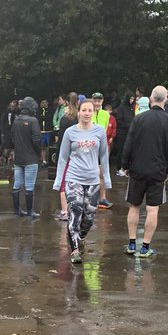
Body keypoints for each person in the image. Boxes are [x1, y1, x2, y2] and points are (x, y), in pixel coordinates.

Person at [121, 86, 168, 257]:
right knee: (153, 209)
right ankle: (145, 247)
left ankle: (132, 244)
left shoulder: (139, 119)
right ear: (165, 100)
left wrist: (125, 165)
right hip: (158, 171)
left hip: (137, 169)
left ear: (151, 98)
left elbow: (129, 144)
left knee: (134, 206)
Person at [53, 97, 112, 264]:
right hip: (73, 178)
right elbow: (63, 158)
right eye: (84, 110)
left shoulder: (99, 131)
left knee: (89, 216)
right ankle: (74, 251)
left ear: (93, 113)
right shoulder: (70, 132)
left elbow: (103, 156)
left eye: (89, 110)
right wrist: (59, 181)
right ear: (78, 112)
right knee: (75, 211)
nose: (86, 113)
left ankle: (80, 237)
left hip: (92, 179)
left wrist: (106, 179)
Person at [11, 97, 42, 218]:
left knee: (17, 184)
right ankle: (30, 211)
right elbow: (37, 139)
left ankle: (17, 210)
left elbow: (12, 137)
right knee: (29, 185)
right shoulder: (33, 121)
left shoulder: (16, 120)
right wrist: (38, 152)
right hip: (31, 158)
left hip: (18, 158)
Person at [54, 92, 79, 220]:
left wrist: (59, 156)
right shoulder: (80, 118)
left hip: (67, 155)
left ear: (67, 102)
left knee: (63, 183)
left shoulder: (65, 118)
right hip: (79, 154)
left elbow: (62, 141)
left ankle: (65, 212)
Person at [91, 93, 116, 208]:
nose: (97, 103)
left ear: (102, 101)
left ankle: (102, 198)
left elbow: (106, 130)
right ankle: (91, 197)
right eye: (95, 100)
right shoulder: (88, 112)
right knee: (91, 172)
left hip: (102, 146)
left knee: (102, 172)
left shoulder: (106, 114)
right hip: (90, 147)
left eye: (99, 101)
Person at [112, 92, 135, 173]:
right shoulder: (121, 107)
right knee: (121, 150)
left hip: (130, 132)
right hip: (122, 132)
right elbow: (119, 120)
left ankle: (126, 167)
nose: (132, 100)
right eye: (130, 98)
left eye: (133, 99)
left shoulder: (131, 108)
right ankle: (119, 168)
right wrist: (128, 125)